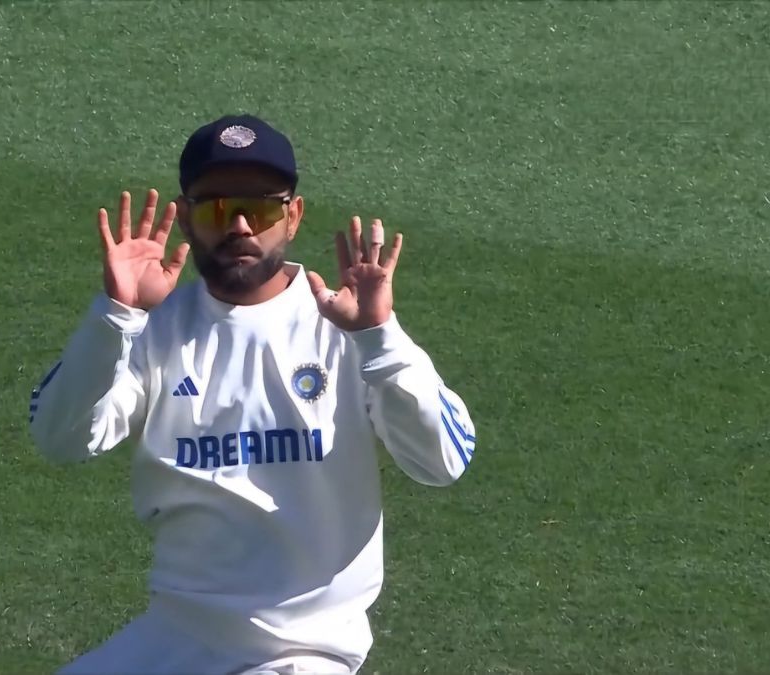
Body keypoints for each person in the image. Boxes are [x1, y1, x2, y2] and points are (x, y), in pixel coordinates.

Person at [28, 114, 477, 674]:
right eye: (216, 208)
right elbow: (62, 440)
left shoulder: (347, 326)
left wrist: (379, 340)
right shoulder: (155, 328)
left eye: (260, 208)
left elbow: (444, 461)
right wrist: (117, 315)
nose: (239, 224)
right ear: (186, 217)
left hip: (304, 653)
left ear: (293, 216)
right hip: (177, 636)